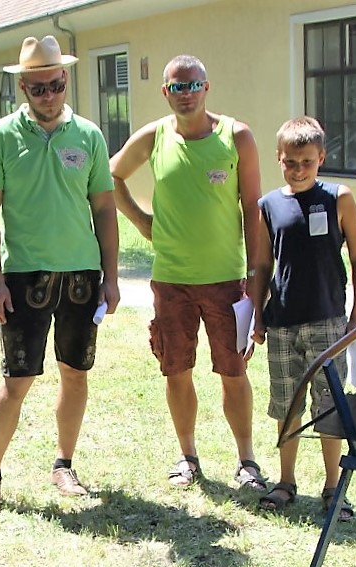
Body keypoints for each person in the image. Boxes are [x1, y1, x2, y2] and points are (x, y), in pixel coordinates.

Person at [0, 35, 120, 514]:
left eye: (55, 85)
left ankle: (64, 465)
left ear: (66, 80)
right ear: (22, 88)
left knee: (75, 375)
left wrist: (112, 276)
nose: (48, 95)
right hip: (24, 277)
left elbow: (104, 209)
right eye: (38, 88)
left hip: (81, 275)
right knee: (17, 379)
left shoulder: (89, 135)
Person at [109, 55, 266, 495]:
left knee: (233, 373)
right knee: (176, 370)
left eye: (193, 85)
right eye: (176, 87)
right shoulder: (155, 136)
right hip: (171, 280)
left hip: (225, 281)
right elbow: (110, 173)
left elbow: (252, 208)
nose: (186, 94)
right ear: (165, 92)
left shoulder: (236, 137)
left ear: (207, 86)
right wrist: (142, 222)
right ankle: (188, 456)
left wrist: (255, 276)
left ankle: (247, 461)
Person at [244, 117, 356, 519]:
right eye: (290, 162)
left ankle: (334, 488)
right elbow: (262, 265)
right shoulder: (268, 206)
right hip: (282, 323)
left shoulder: (338, 198)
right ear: (279, 159)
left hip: (328, 320)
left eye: (307, 162)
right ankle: (285, 481)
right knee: (286, 405)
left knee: (328, 407)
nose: (298, 170)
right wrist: (257, 317)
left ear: (322, 159)